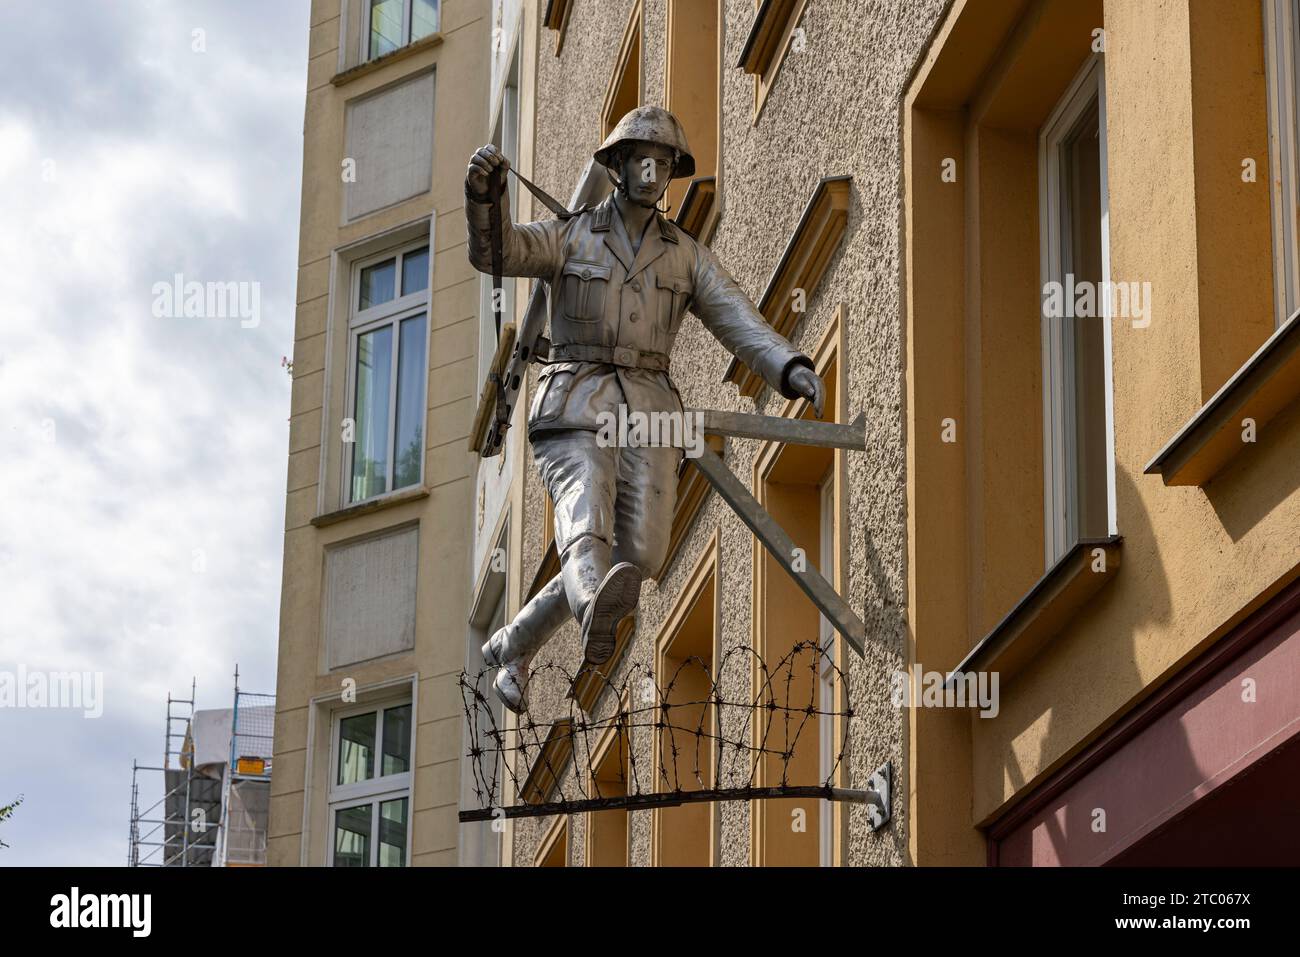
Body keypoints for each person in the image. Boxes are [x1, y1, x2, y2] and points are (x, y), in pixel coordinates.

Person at [465, 106, 825, 712]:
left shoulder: (684, 254)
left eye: (664, 163)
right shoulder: (572, 234)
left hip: (651, 414)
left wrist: (788, 366)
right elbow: (498, 253)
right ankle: (590, 620)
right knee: (585, 526)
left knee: (643, 558)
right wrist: (486, 198)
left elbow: (737, 317)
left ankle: (514, 641)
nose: (653, 172)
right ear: (620, 165)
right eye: (642, 160)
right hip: (576, 403)